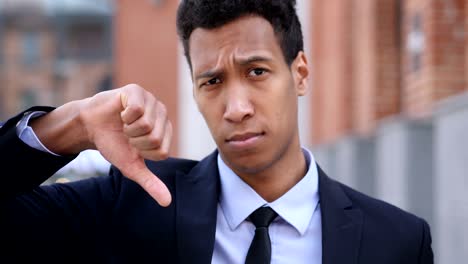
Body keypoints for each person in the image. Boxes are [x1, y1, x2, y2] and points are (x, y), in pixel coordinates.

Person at [0, 0, 433, 263]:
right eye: (213, 81)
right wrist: (70, 127)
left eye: (257, 71)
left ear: (299, 74)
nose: (237, 108)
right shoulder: (131, 206)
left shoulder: (396, 241)